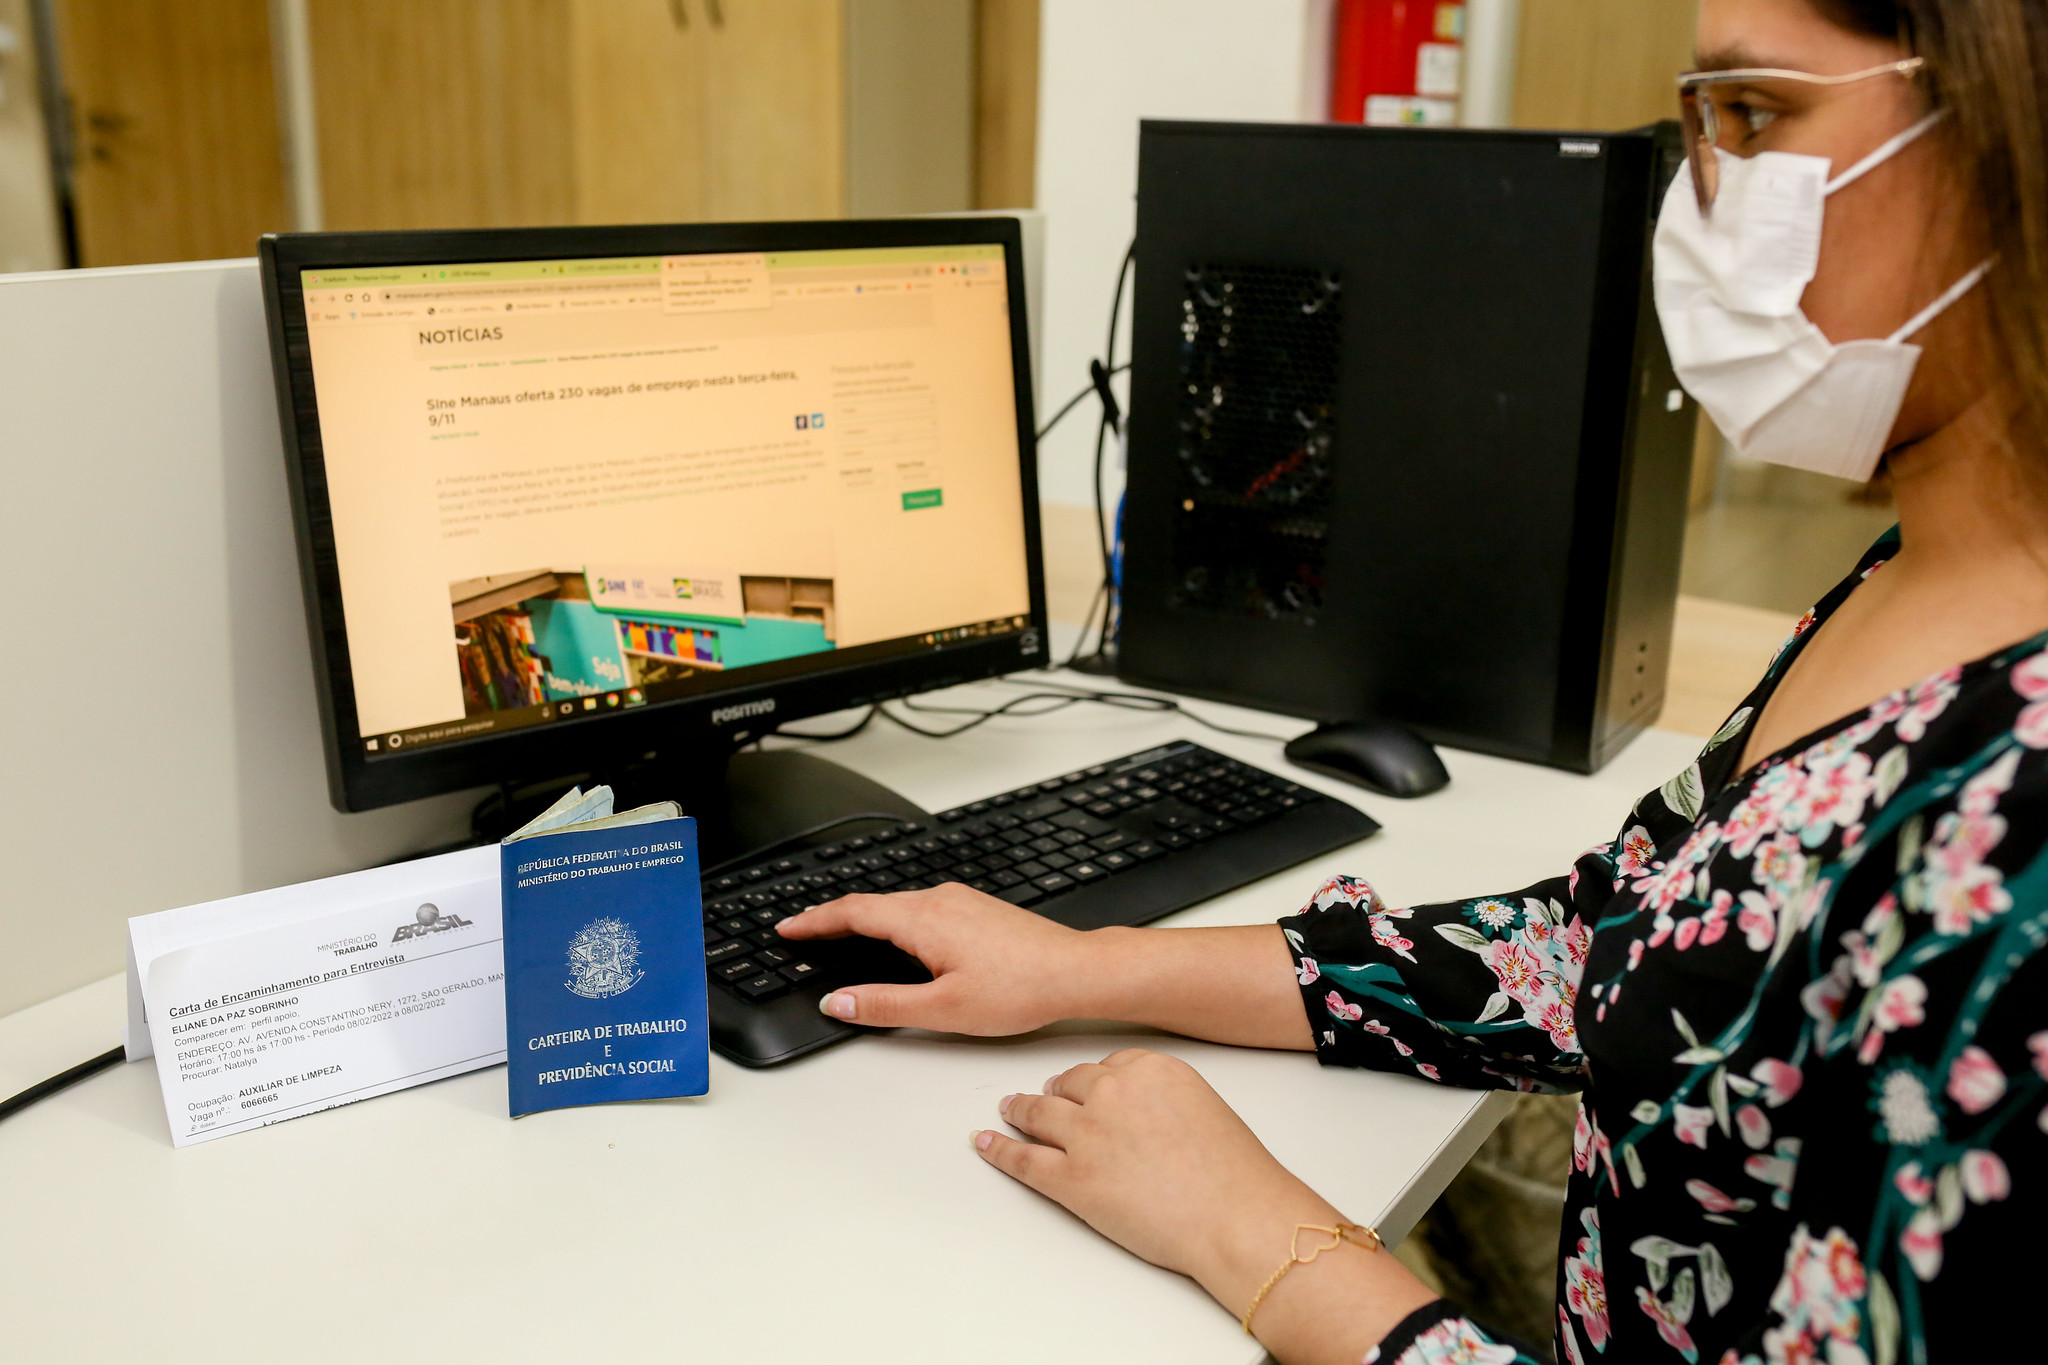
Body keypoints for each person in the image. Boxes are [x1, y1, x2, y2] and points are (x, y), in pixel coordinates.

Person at [778, 0, 2048, 1360]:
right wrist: (1084, 964)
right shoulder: (1917, 572)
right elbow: (1614, 946)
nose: (1699, 194)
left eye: (1753, 113)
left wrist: (1255, 1233)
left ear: (2010, 118)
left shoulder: (2017, 802)